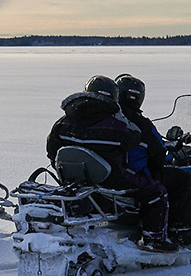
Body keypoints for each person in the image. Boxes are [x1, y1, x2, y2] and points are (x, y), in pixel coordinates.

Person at [47, 75, 176, 253]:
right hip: (111, 179)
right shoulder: (117, 126)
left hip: (73, 179)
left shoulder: (62, 123)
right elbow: (135, 141)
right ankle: (154, 239)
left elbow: (51, 151)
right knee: (155, 191)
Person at [115, 73, 191, 247]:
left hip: (107, 173)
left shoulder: (107, 118)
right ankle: (180, 229)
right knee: (180, 178)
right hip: (132, 174)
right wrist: (158, 167)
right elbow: (157, 151)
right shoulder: (138, 122)